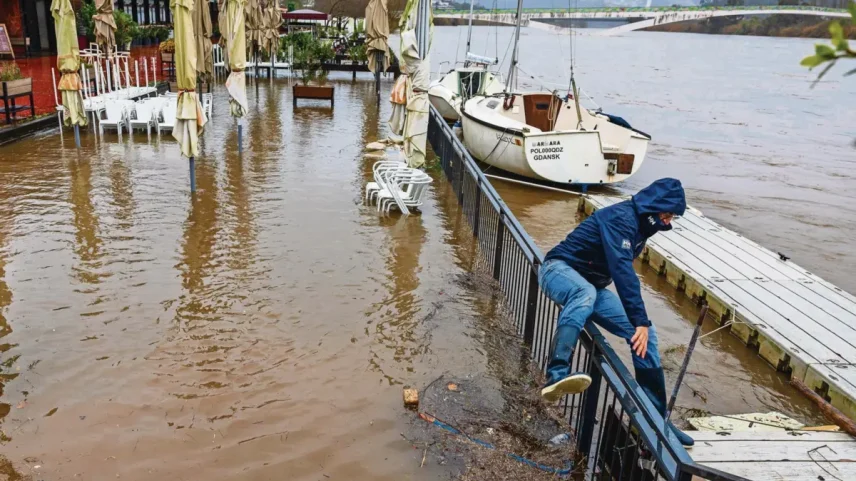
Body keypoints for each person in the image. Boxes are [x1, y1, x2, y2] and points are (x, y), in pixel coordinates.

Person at [538, 178, 694, 447]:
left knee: (646, 334)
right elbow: (623, 272)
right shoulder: (620, 219)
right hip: (558, 270)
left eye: (672, 218)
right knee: (585, 294)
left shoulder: (641, 228)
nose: (668, 223)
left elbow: (619, 277)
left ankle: (656, 419)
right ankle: (558, 371)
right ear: (653, 208)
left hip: (591, 285)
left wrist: (641, 324)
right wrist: (640, 318)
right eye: (667, 216)